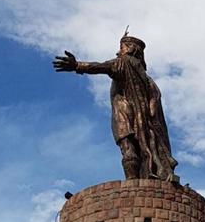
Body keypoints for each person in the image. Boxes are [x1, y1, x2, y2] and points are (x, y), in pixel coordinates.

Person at [53, 33, 178, 182]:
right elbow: (153, 104)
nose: (118, 52)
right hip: (144, 122)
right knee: (145, 147)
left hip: (123, 111)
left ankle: (132, 182)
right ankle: (146, 176)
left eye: (121, 48)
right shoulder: (148, 79)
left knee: (128, 146)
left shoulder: (123, 63)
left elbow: (100, 66)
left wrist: (77, 65)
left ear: (130, 49)